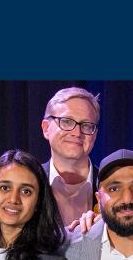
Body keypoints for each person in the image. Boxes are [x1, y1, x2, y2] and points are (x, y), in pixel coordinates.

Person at [40, 86, 101, 227]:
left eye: (86, 125)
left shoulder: (111, 188)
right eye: (67, 121)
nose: (77, 132)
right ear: (46, 128)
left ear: (95, 135)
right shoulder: (29, 183)